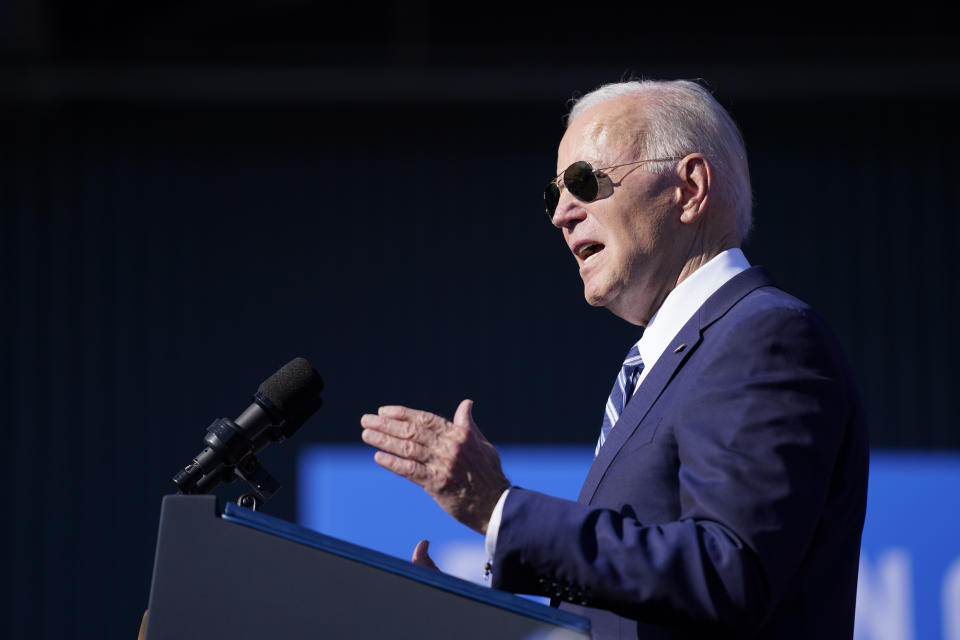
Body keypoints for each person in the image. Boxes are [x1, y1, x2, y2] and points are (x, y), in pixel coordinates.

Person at [360, 79, 869, 639]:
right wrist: (475, 622)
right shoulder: (663, 364)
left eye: (585, 181)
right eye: (554, 195)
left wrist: (497, 509)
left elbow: (728, 570)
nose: (561, 215)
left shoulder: (760, 336)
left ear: (690, 188)